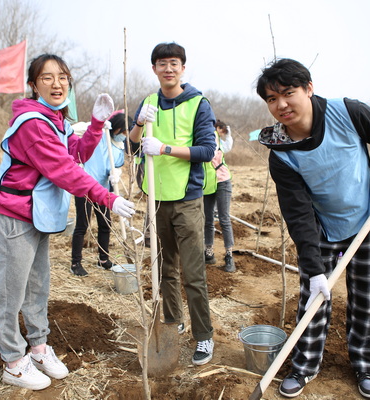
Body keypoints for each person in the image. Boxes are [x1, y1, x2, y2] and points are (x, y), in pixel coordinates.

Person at [255, 58, 370, 399]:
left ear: (308, 88)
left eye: (288, 93)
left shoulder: (347, 112)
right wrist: (313, 268)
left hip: (368, 221)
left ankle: (365, 363)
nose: (281, 105)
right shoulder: (280, 151)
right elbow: (298, 212)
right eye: (271, 99)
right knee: (314, 299)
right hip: (322, 229)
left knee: (368, 299)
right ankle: (305, 365)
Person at [0, 54, 135, 390]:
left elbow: (77, 154)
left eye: (63, 76)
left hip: (36, 217)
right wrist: (108, 198)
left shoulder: (54, 120)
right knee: (10, 294)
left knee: (37, 287)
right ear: (34, 84)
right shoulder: (33, 124)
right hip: (12, 216)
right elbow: (65, 171)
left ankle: (37, 347)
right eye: (48, 77)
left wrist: (96, 125)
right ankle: (13, 360)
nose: (57, 84)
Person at [129, 42, 216, 366]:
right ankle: (173, 319)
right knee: (165, 268)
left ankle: (204, 337)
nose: (168, 68)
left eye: (174, 63)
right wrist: (139, 124)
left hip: (188, 200)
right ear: (154, 68)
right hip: (156, 199)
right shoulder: (149, 103)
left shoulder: (198, 103)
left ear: (183, 67)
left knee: (193, 273)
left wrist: (164, 148)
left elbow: (207, 151)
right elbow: (131, 144)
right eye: (162, 63)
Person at [70, 111, 132, 276]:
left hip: (104, 190)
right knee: (82, 225)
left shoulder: (119, 147)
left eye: (127, 133)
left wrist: (116, 173)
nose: (124, 136)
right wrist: (96, 125)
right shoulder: (100, 135)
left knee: (105, 224)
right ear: (116, 128)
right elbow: (73, 130)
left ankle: (103, 259)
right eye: (123, 132)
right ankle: (75, 262)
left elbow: (117, 164)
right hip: (85, 185)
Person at [203, 119, 236, 272]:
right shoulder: (201, 138)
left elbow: (226, 146)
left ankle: (229, 256)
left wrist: (226, 132)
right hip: (207, 183)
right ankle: (208, 252)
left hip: (222, 181)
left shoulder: (216, 140)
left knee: (224, 219)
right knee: (208, 219)